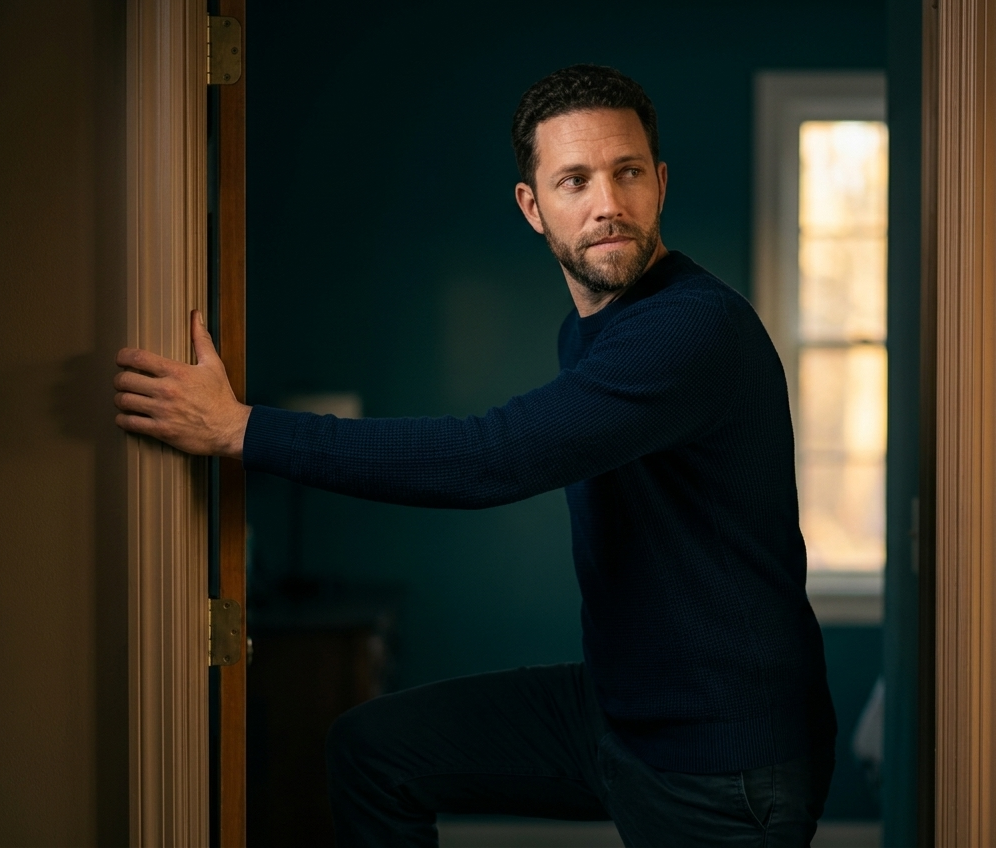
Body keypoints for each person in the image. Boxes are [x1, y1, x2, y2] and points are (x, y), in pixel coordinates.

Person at [114, 64, 836, 847]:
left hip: (722, 760)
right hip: (620, 713)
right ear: (532, 206)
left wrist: (241, 430)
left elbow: (487, 459)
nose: (607, 204)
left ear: (659, 182)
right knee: (374, 752)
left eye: (628, 173)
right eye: (574, 181)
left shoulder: (692, 330)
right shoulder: (591, 331)